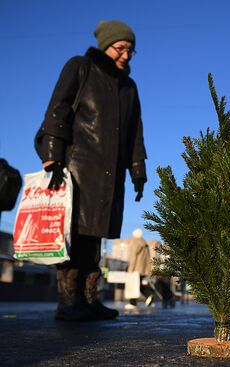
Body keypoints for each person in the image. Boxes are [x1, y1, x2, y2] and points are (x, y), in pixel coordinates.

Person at [34, 20, 147, 321]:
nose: (126, 55)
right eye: (121, 48)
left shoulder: (129, 87)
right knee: (75, 233)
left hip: (111, 173)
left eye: (131, 51)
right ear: (106, 44)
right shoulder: (81, 67)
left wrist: (138, 170)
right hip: (78, 166)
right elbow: (57, 109)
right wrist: (51, 155)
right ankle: (68, 301)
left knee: (97, 234)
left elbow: (135, 131)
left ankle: (88, 298)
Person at [124, 229, 153, 309]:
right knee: (138, 284)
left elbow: (133, 256)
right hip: (143, 268)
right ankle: (148, 295)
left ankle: (133, 303)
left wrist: (130, 268)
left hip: (135, 268)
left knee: (132, 285)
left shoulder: (135, 242)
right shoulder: (144, 243)